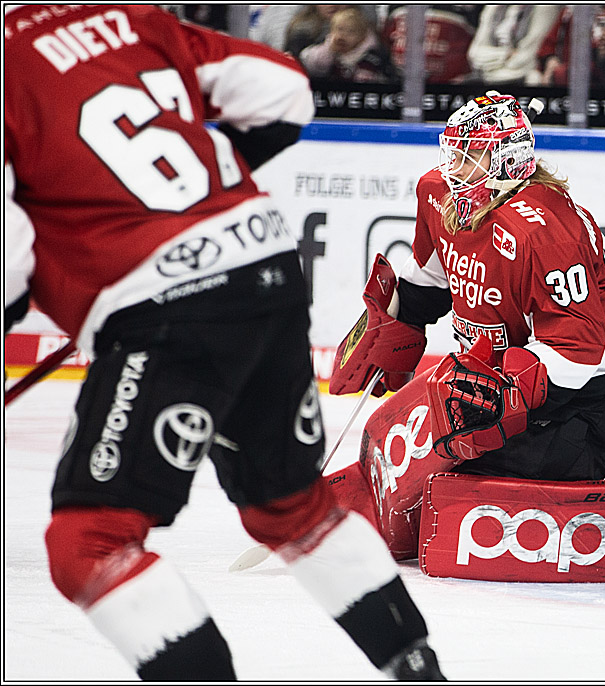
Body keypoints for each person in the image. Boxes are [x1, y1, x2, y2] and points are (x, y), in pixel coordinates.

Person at [3, 5, 442, 681]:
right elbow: (287, 91)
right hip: (264, 270)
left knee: (85, 543)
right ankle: (418, 671)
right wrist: (195, 198)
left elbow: (8, 259)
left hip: (164, 308)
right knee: (290, 509)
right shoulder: (129, 18)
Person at [331, 91, 605, 487]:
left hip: (599, 385)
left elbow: (576, 348)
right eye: (451, 153)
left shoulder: (543, 232)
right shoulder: (439, 193)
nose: (451, 167)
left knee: (473, 470)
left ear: (505, 164)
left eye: (467, 156)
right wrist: (396, 324)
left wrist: (505, 399)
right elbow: (432, 275)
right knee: (447, 456)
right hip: (531, 362)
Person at [299, 7, 396, 82]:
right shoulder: (328, 49)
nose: (342, 36)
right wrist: (329, 49)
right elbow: (313, 67)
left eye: (350, 32)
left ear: (362, 37)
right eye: (339, 29)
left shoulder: (371, 58)